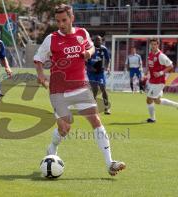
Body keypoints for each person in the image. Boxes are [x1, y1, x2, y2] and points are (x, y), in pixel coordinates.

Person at [34, 4, 125, 176]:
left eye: (64, 20)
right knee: (64, 128)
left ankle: (109, 163)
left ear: (72, 18)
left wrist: (89, 53)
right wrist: (40, 75)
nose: (61, 24)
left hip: (81, 86)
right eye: (58, 21)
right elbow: (38, 59)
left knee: (96, 121)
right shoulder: (51, 39)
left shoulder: (82, 33)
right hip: (59, 90)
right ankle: (52, 148)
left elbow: (90, 46)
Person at [145, 38, 178, 123]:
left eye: (155, 44)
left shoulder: (161, 55)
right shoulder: (150, 54)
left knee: (149, 99)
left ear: (158, 45)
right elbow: (151, 66)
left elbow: (171, 66)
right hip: (153, 81)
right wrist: (147, 71)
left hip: (159, 81)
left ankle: (152, 119)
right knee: (157, 101)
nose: (153, 46)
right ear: (150, 45)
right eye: (152, 44)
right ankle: (177, 105)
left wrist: (160, 73)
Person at [86, 35, 111, 115]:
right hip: (91, 73)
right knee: (95, 89)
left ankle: (106, 108)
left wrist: (108, 67)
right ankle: (93, 108)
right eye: (97, 40)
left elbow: (108, 59)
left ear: (102, 41)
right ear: (94, 41)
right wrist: (90, 67)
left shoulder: (104, 49)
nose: (98, 42)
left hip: (100, 72)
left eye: (100, 40)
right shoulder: (90, 49)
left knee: (103, 88)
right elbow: (85, 60)